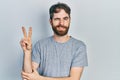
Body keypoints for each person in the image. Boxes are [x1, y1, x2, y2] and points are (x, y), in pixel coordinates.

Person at [20, 2, 88, 80]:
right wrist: (27, 53)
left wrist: (39, 79)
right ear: (51, 22)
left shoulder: (79, 46)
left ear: (70, 20)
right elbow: (28, 77)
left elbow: (74, 79)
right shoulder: (40, 45)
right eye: (57, 19)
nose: (61, 23)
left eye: (65, 18)